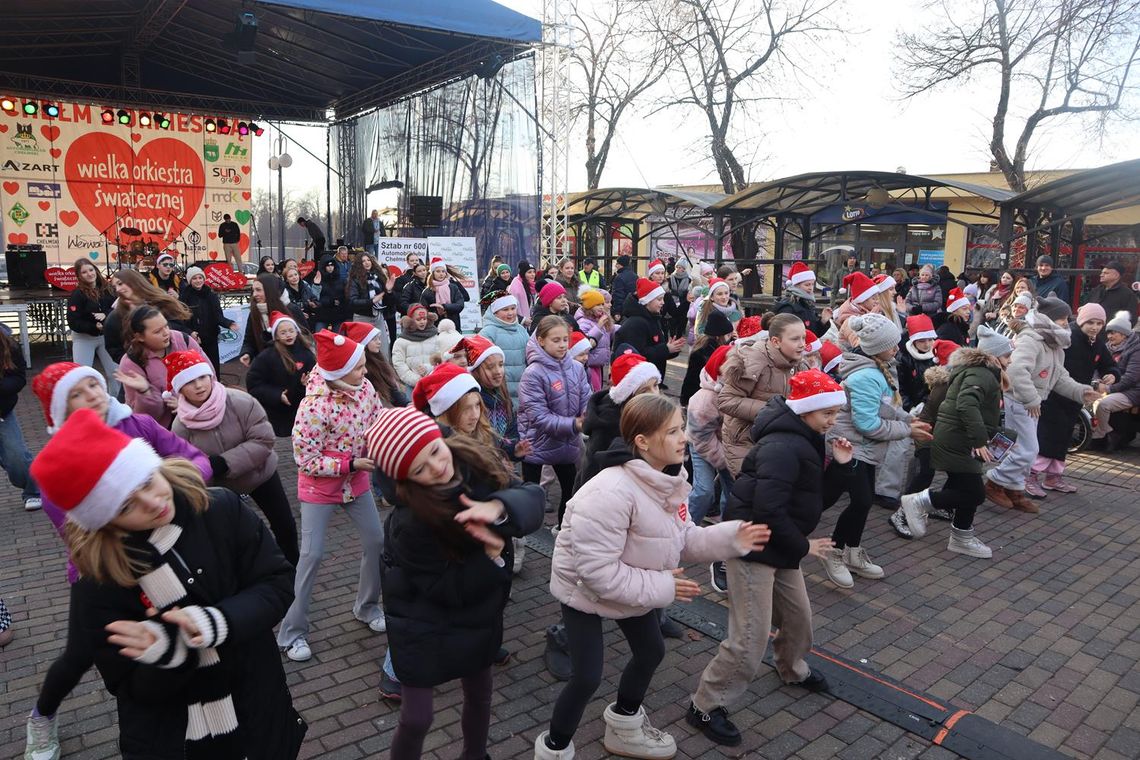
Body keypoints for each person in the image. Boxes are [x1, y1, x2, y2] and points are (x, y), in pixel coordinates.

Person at [30, 408, 304, 759]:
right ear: (103, 521)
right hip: (177, 740)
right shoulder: (100, 582)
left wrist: (216, 622)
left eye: (145, 481)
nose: (152, 502)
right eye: (126, 505)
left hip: (257, 707)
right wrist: (168, 654)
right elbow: (130, 688)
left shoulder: (219, 509)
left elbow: (277, 583)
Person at [535, 394, 770, 760]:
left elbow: (682, 537)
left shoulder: (670, 478)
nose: (685, 438)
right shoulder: (609, 492)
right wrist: (663, 586)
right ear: (642, 442)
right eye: (673, 431)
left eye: (682, 429)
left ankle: (624, 726)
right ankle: (554, 748)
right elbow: (597, 573)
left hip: (635, 579)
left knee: (650, 650)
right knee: (586, 677)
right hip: (584, 589)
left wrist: (729, 537)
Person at [364, 406, 543, 759]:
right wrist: (493, 551)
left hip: (475, 618)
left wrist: (499, 509)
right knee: (417, 717)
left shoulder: (473, 462)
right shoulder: (409, 523)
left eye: (434, 450)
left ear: (439, 438)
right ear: (407, 479)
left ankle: (474, 755)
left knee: (480, 693)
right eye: (419, 469)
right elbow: (451, 589)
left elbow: (532, 497)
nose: (436, 466)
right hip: (420, 623)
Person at [688, 370, 853, 747]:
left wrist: (841, 465)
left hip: (780, 542)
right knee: (750, 635)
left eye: (834, 412)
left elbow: (816, 499)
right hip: (756, 544)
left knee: (798, 618)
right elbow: (767, 508)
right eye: (826, 412)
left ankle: (791, 669)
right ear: (805, 409)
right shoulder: (783, 446)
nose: (833, 420)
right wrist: (804, 546)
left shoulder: (808, 438)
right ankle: (705, 705)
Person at [276, 330, 387, 662]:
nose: (364, 373)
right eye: (358, 368)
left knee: (376, 542)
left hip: (358, 484)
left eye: (364, 366)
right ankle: (292, 631)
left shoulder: (366, 390)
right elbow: (306, 460)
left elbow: (378, 423)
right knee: (311, 556)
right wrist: (350, 462)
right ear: (338, 374)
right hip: (319, 490)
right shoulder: (312, 407)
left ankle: (366, 607)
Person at [820, 314, 932, 589]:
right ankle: (831, 550)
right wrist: (908, 430)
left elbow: (884, 407)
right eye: (892, 344)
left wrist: (907, 419)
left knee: (851, 500)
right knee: (855, 500)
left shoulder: (878, 368)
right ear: (877, 347)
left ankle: (851, 550)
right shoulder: (867, 375)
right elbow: (867, 423)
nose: (897, 348)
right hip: (850, 447)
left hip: (862, 449)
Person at [167, 351, 299, 565]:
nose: (199, 385)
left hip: (261, 474)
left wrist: (223, 463)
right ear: (180, 388)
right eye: (190, 382)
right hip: (224, 489)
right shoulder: (181, 426)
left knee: (285, 525)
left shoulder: (240, 401)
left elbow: (263, 440)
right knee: (244, 536)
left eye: (202, 377)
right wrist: (207, 473)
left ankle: (295, 570)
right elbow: (187, 466)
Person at [902, 328, 1016, 558]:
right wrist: (980, 439)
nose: (1010, 360)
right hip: (958, 439)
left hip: (957, 437)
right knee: (975, 493)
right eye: (1006, 356)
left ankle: (962, 537)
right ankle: (920, 502)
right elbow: (966, 404)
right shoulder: (983, 373)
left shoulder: (979, 372)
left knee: (964, 488)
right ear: (993, 357)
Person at [985, 297, 1098, 512]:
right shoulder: (1032, 339)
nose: (1067, 323)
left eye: (1067, 319)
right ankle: (995, 482)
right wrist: (1031, 399)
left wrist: (1081, 391)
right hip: (1021, 401)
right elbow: (1017, 371)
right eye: (1063, 319)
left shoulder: (1054, 343)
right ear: (1049, 319)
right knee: (1029, 450)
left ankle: (1014, 490)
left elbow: (1060, 376)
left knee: (1024, 449)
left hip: (1032, 402)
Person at [1032, 304, 1116, 490]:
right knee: (1046, 437)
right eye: (1090, 322)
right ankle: (1031, 477)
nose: (1095, 327)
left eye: (1099, 323)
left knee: (1064, 437)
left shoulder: (1097, 342)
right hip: (1054, 395)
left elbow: (1108, 364)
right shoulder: (1067, 337)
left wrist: (1111, 374)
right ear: (1080, 321)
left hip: (1077, 397)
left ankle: (1053, 477)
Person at [518, 316, 591, 526]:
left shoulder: (576, 368)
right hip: (535, 441)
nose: (562, 345)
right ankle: (526, 536)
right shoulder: (533, 373)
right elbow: (538, 417)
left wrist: (588, 415)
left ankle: (562, 532)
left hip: (566, 441)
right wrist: (574, 424)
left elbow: (586, 396)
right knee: (531, 498)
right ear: (541, 340)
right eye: (555, 340)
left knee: (570, 493)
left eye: (565, 340)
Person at [718, 314, 806, 476]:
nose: (802, 345)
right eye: (795, 339)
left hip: (775, 440)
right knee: (755, 493)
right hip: (744, 440)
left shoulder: (799, 364)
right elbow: (726, 400)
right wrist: (774, 411)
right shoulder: (754, 361)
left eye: (804, 338)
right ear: (776, 342)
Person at [576, 349, 662, 490]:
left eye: (655, 385)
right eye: (644, 391)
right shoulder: (610, 424)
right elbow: (593, 469)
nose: (654, 394)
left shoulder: (649, 412)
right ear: (627, 396)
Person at [116, 305, 206, 428]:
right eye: (157, 331)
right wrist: (145, 392)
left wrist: (186, 405)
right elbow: (144, 417)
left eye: (166, 326)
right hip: (164, 430)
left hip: (200, 416)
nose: (166, 333)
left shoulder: (183, 340)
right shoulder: (131, 363)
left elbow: (210, 377)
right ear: (139, 337)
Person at [245, 311, 317, 437]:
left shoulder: (307, 353)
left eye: (291, 331)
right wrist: (277, 395)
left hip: (302, 414)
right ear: (276, 336)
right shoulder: (266, 357)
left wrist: (306, 384)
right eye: (283, 332)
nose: (288, 335)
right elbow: (253, 385)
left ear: (296, 331)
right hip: (277, 417)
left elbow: (316, 378)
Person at [686, 344, 733, 531]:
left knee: (734, 492)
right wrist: (724, 461)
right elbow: (702, 439)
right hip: (700, 444)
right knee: (704, 491)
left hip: (725, 445)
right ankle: (686, 528)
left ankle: (726, 530)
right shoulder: (704, 401)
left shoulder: (735, 391)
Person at [105, 269, 194, 364]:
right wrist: (135, 362)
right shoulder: (116, 315)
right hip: (143, 365)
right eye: (115, 287)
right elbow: (114, 348)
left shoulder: (160, 301)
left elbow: (179, 325)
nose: (118, 289)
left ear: (134, 281)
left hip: (174, 358)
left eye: (120, 283)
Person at [614, 278, 686, 381]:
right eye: (659, 299)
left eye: (663, 299)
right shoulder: (636, 323)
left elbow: (655, 348)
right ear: (647, 301)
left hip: (650, 378)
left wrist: (672, 349)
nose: (663, 303)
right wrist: (666, 349)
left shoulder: (652, 318)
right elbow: (637, 354)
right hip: (639, 380)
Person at [67, 257, 120, 395]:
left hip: (105, 336)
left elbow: (117, 308)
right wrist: (93, 327)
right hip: (83, 338)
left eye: (91, 270)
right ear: (79, 276)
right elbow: (73, 321)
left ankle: (115, 404)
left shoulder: (107, 289)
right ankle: (87, 405)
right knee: (82, 375)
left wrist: (106, 315)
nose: (89, 274)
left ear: (95, 270)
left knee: (115, 373)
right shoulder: (77, 294)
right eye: (84, 272)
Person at [1090, 310, 1139, 451]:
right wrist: (1096, 382)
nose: (1109, 336)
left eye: (1113, 333)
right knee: (1086, 399)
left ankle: (1103, 435)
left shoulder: (1136, 349)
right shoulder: (1107, 347)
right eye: (1108, 333)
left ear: (1124, 334)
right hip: (1110, 387)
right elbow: (1097, 367)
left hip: (1132, 391)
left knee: (1103, 404)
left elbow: (1131, 377)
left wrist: (1109, 389)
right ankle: (1104, 433)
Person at [180, 265, 239, 374]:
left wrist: (229, 323)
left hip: (210, 337)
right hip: (194, 339)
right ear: (189, 280)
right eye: (194, 278)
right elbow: (182, 320)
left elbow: (218, 316)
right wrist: (190, 332)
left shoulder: (211, 295)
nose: (198, 281)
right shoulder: (184, 296)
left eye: (200, 277)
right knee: (197, 368)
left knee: (213, 367)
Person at [239, 273, 305, 367]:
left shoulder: (291, 309)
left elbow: (305, 338)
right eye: (253, 290)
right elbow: (249, 340)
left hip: (293, 364)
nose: (255, 294)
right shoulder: (255, 312)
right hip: (266, 365)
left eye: (258, 290)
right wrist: (246, 353)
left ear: (270, 290)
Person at [477, 291, 528, 399]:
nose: (510, 313)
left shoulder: (521, 330)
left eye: (513, 308)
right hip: (499, 392)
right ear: (495, 312)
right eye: (505, 309)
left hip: (523, 389)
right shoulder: (488, 333)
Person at [680, 309, 733, 407]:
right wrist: (686, 401)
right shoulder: (705, 352)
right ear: (719, 336)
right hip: (698, 399)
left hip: (699, 397)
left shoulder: (709, 345)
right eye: (728, 335)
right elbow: (692, 380)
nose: (730, 337)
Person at [346, 252, 394, 356]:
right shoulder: (355, 280)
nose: (367, 263)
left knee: (383, 350)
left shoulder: (379, 277)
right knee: (361, 351)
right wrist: (371, 301)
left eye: (368, 260)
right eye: (363, 261)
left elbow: (389, 302)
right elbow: (353, 302)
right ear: (359, 264)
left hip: (378, 317)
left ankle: (383, 371)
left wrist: (389, 291)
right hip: (362, 318)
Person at [392, 303, 442, 392]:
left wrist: (429, 369)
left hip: (433, 383)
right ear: (410, 321)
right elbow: (399, 363)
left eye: (424, 318)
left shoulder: (435, 337)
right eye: (418, 319)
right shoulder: (401, 341)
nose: (422, 322)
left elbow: (440, 358)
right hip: (412, 386)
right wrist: (416, 380)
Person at [574, 289, 615, 392]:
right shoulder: (583, 322)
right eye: (598, 305)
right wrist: (599, 326)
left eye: (602, 304)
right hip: (590, 364)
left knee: (598, 388)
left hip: (598, 363)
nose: (602, 307)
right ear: (590, 306)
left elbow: (611, 330)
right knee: (593, 390)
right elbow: (585, 343)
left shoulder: (598, 319)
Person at [775, 262, 831, 335]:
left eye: (812, 284)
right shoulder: (787, 307)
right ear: (796, 286)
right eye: (807, 285)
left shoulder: (807, 304)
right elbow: (786, 336)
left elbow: (814, 334)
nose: (811, 288)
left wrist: (823, 321)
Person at [420, 257, 470, 331]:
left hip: (454, 326)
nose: (441, 274)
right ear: (432, 273)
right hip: (435, 327)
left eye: (443, 271)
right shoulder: (427, 291)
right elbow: (423, 310)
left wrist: (444, 307)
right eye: (438, 271)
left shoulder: (453, 287)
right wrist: (435, 313)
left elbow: (460, 304)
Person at [313, 254, 350, 331]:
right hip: (322, 315)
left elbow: (346, 296)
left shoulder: (341, 280)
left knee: (339, 339)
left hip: (338, 315)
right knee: (320, 338)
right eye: (327, 265)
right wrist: (330, 301)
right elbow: (314, 298)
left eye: (332, 265)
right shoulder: (317, 279)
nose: (330, 267)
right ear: (323, 267)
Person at [282, 261, 319, 330]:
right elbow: (285, 308)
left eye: (296, 275)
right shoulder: (284, 291)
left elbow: (314, 299)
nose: (294, 277)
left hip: (309, 321)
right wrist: (299, 314)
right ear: (286, 279)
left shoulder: (305, 286)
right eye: (290, 276)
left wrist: (313, 304)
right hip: (293, 323)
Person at [666, 259, 692, 338]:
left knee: (682, 320)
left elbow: (689, 291)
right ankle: (673, 336)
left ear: (684, 269)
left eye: (681, 268)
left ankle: (679, 335)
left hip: (684, 302)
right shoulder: (670, 278)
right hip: (673, 301)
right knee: (673, 320)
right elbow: (668, 289)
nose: (679, 269)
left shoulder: (688, 279)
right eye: (678, 267)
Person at [609, 255, 638, 322]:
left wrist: (617, 312)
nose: (616, 266)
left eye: (617, 263)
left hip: (623, 312)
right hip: (633, 310)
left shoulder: (619, 278)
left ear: (621, 265)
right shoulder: (635, 276)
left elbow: (618, 296)